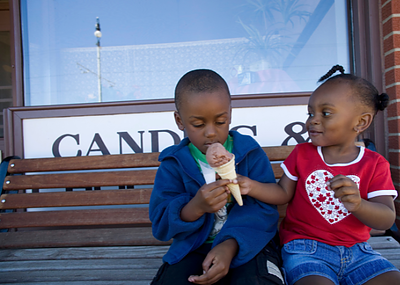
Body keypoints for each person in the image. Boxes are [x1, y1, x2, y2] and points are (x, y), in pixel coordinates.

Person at [235, 65, 400, 285]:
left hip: (358, 252)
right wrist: (251, 186)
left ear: (360, 122)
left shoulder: (374, 163)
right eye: (311, 113)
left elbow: (387, 217)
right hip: (305, 248)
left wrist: (359, 204)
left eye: (326, 113)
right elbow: (283, 193)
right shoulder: (302, 154)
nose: (313, 119)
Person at [149, 69, 284, 285]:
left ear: (230, 115)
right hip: (194, 247)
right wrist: (195, 207)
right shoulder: (173, 165)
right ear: (179, 120)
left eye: (220, 121)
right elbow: (161, 224)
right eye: (199, 125)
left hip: (248, 243)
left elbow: (264, 210)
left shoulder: (249, 153)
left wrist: (230, 245)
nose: (211, 133)